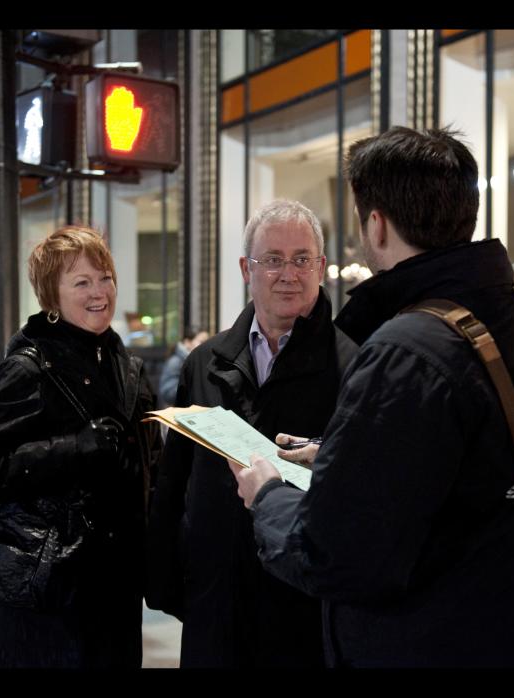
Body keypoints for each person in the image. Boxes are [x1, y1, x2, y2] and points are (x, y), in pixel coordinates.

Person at [230, 127, 514, 667]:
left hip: (425, 639)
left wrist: (270, 494)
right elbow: (473, 475)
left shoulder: (407, 351)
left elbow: (337, 556)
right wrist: (347, 459)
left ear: (376, 223)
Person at [145, 199, 358, 667]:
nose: (289, 273)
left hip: (302, 611)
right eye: (273, 260)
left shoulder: (354, 368)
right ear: (246, 268)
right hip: (214, 605)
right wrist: (165, 577)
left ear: (321, 267)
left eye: (302, 259)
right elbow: (174, 481)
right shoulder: (205, 363)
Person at [0, 226, 162, 668]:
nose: (99, 291)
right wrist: (73, 447)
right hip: (44, 596)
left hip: (114, 590)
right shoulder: (29, 369)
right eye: (81, 282)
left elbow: (148, 463)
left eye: (104, 277)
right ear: (52, 298)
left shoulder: (126, 367)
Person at [158, 327, 209, 407]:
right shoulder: (176, 362)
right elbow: (168, 394)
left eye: (208, 342)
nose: (206, 345)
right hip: (176, 413)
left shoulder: (196, 360)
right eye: (202, 342)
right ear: (187, 342)